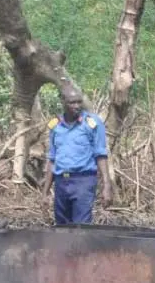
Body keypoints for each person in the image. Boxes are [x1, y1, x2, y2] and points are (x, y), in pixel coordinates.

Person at [41, 85, 112, 224]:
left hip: (83, 181)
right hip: (61, 182)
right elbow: (52, 160)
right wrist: (45, 192)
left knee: (81, 227)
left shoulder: (92, 123)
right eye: (72, 102)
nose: (77, 106)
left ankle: (81, 246)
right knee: (62, 228)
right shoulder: (55, 126)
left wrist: (107, 186)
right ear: (63, 102)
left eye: (79, 102)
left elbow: (101, 155)